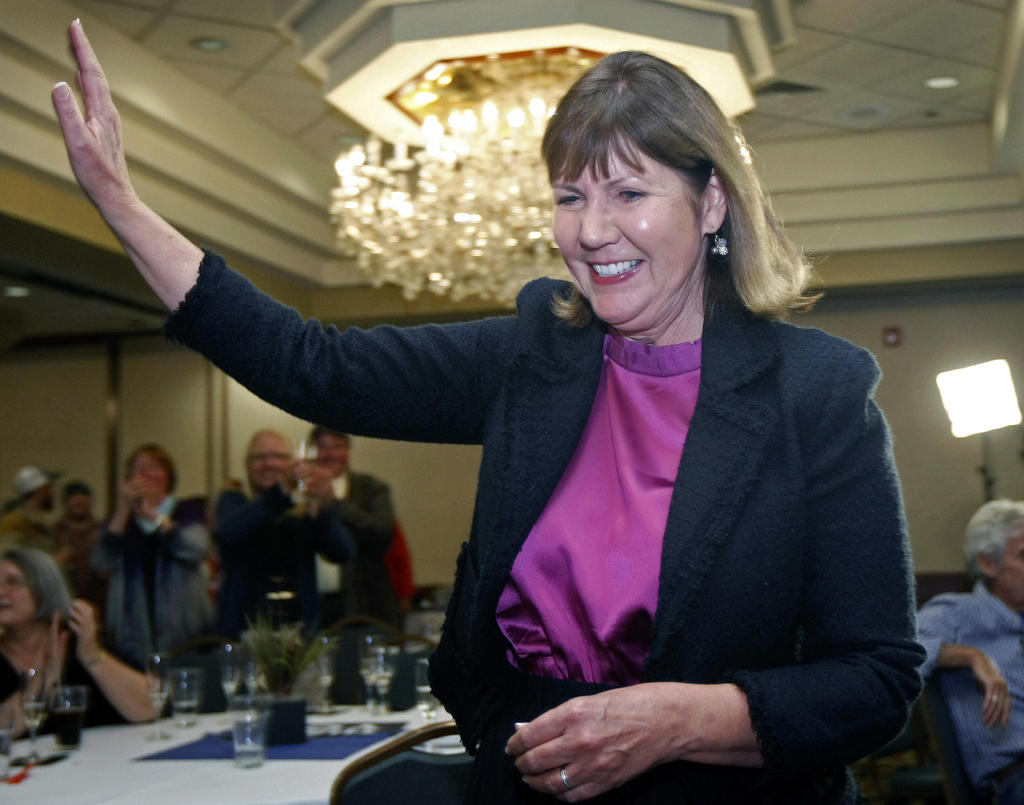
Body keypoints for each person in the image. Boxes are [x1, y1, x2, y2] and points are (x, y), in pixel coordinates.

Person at [53, 23, 924, 804]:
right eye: (570, 197)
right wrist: (124, 208)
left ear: (712, 203)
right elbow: (310, 363)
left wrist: (680, 719)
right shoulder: (535, 351)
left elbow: (878, 681)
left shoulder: (815, 391)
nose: (590, 231)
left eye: (627, 192)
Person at [917, 499, 1023, 802]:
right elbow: (904, 651)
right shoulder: (958, 612)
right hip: (1012, 776)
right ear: (989, 564)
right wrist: (973, 656)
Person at [215, 429, 355, 636]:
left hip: (300, 628)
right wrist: (281, 492)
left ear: (293, 463)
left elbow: (344, 552)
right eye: (259, 457)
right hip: (244, 628)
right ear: (248, 464)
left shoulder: (303, 505)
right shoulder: (234, 499)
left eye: (278, 457)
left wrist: (322, 512)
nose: (268, 463)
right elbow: (228, 532)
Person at [0, 547, 154, 735]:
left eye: (13, 582)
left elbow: (150, 708)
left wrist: (92, 658)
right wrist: (43, 680)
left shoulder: (80, 638)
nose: (1, 592)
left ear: (44, 588)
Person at [92, 443, 212, 669]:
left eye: (153, 467)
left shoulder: (187, 510)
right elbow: (101, 562)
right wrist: (124, 509)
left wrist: (154, 518)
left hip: (184, 629)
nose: (145, 474)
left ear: (168, 474)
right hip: (132, 632)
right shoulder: (120, 520)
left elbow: (196, 550)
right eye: (138, 469)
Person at [309, 427, 397, 625]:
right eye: (322, 447)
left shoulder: (371, 487)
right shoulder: (299, 491)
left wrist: (334, 503)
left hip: (362, 603)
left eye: (337, 446)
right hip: (313, 609)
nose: (330, 454)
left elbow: (383, 534)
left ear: (348, 450)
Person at [51, 480, 108, 609]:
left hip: (98, 600)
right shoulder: (55, 531)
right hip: (65, 598)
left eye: (83, 500)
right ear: (66, 502)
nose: (79, 503)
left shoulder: (103, 530)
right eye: (74, 500)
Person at [0, 466, 60, 552]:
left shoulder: (37, 521)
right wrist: (54, 559)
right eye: (49, 488)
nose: (53, 493)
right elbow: (9, 557)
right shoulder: (13, 521)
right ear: (40, 489)